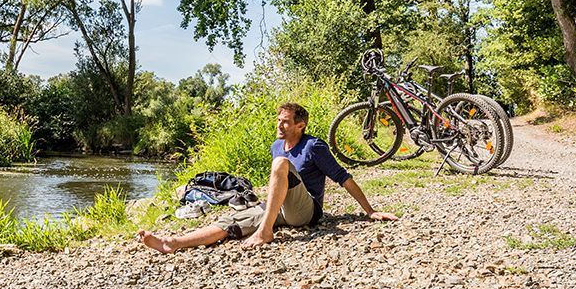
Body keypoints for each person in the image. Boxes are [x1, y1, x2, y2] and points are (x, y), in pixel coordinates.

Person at [138, 101, 397, 254]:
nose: (280, 125)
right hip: (280, 210)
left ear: (300, 125)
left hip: (307, 211)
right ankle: (172, 243)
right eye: (279, 120)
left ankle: (265, 232)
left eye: (286, 122)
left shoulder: (313, 146)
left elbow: (343, 177)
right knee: (229, 221)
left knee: (280, 164)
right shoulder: (276, 145)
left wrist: (370, 211)